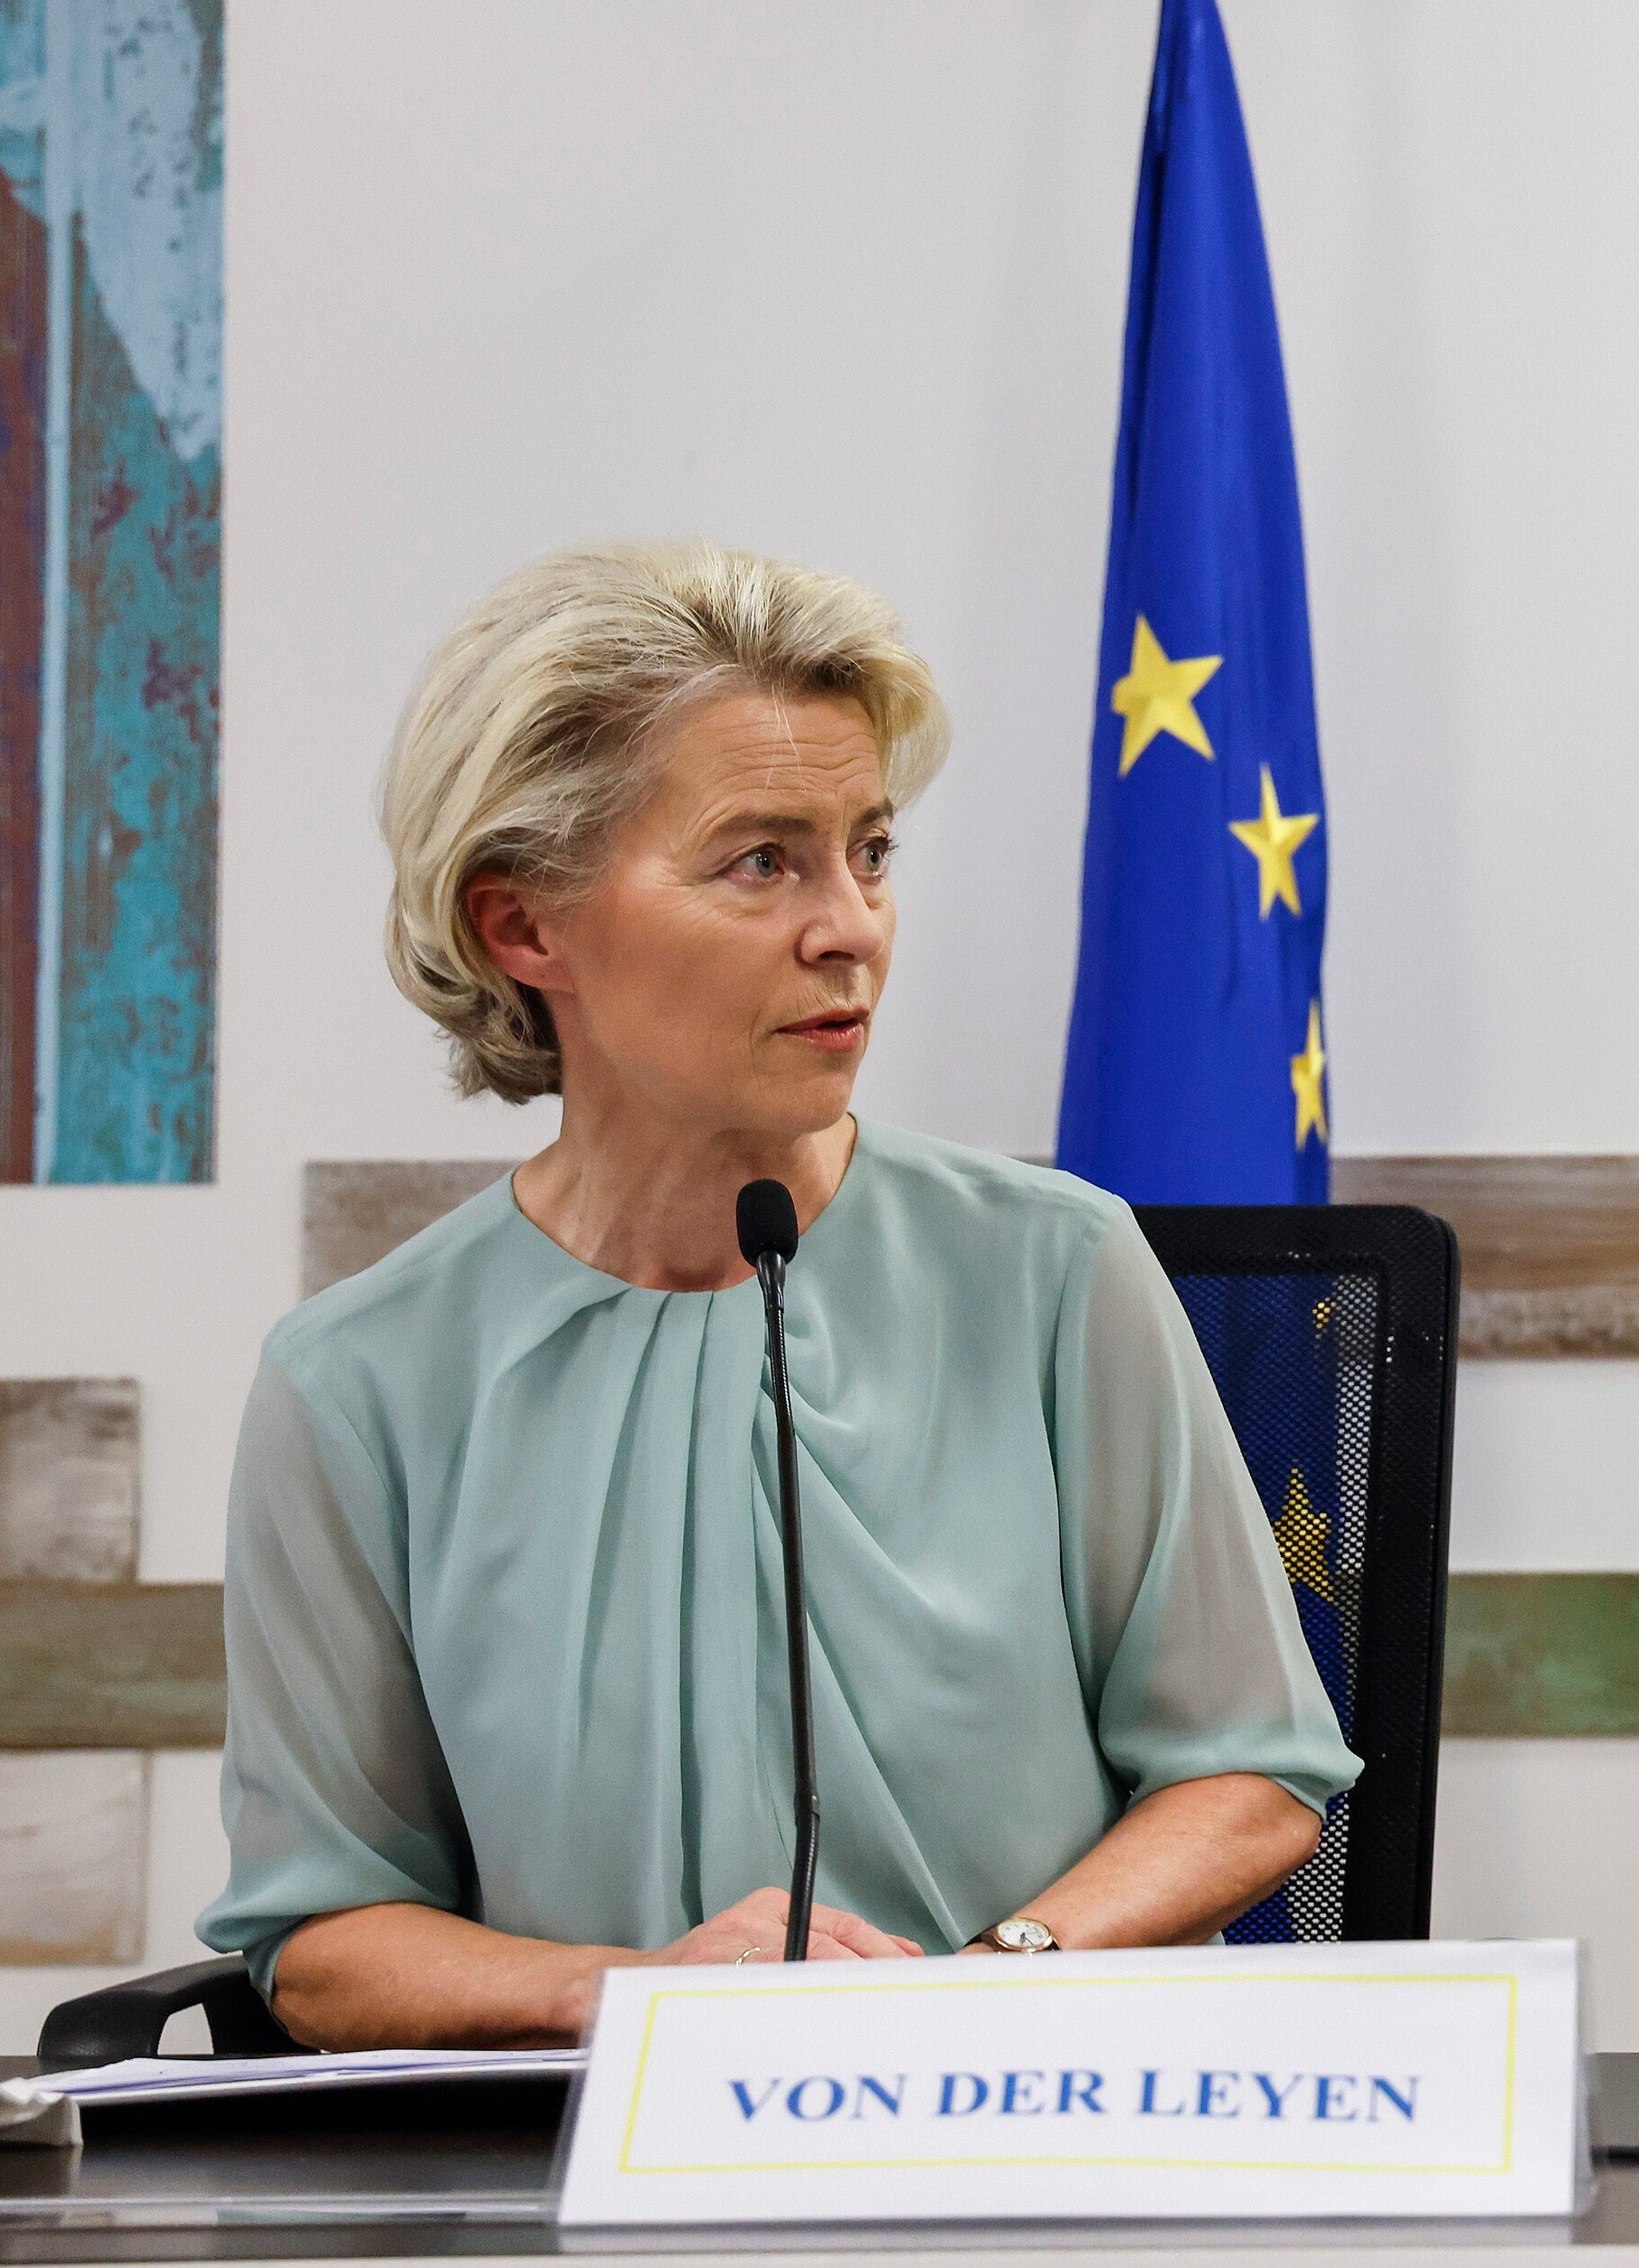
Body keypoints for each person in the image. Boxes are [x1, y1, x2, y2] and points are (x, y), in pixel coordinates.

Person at [199, 543, 1357, 2049]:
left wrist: (989, 1981)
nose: (851, 927)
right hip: (583, 2173)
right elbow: (323, 1933)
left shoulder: (1053, 1269)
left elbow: (1252, 1775)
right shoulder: (359, 1380)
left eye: (869, 851)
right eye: (764, 861)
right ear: (522, 928)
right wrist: (630, 2001)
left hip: (1017, 2131)